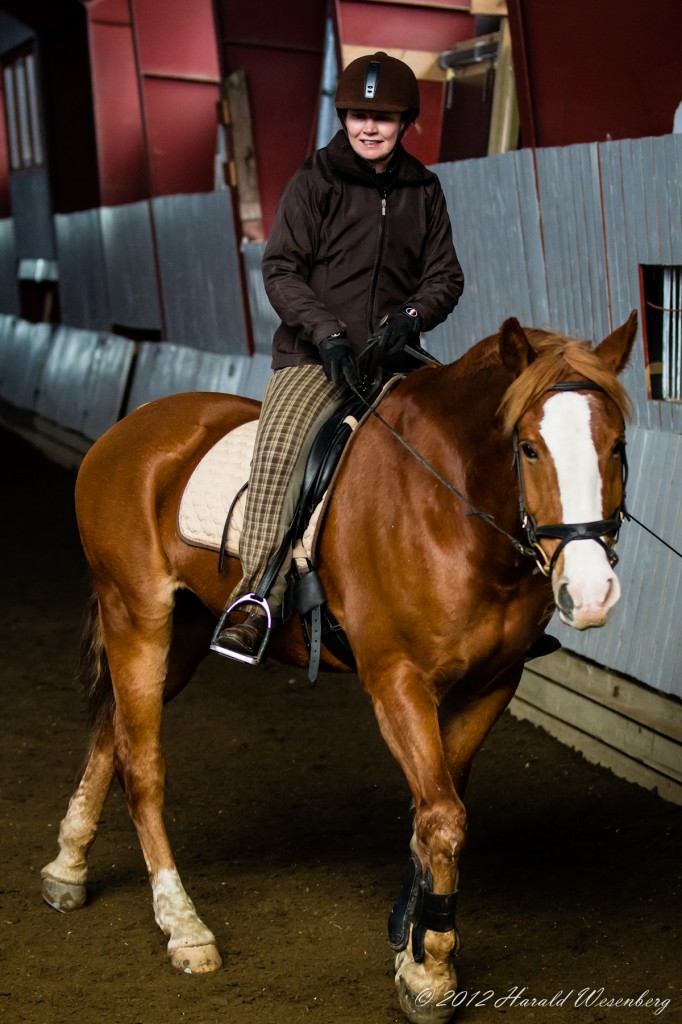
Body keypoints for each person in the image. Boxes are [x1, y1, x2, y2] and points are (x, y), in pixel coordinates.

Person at [210, 51, 464, 663]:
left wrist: (410, 317)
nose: (368, 128)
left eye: (382, 118)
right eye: (356, 116)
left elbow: (445, 277)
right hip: (314, 359)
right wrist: (325, 332)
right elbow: (281, 269)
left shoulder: (424, 191)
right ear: (344, 118)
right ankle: (256, 596)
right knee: (282, 450)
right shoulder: (314, 181)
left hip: (393, 358)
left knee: (464, 439)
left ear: (406, 122)